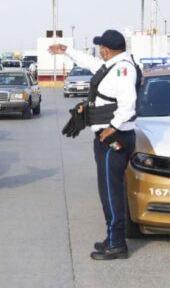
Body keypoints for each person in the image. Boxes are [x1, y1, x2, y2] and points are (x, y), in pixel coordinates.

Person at [49, 29, 138, 260]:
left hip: (113, 139)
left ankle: (116, 244)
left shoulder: (123, 69)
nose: (99, 51)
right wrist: (67, 51)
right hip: (109, 137)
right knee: (107, 191)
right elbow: (90, 63)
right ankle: (112, 238)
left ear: (107, 50)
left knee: (111, 193)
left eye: (101, 47)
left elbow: (129, 104)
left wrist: (112, 127)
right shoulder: (112, 65)